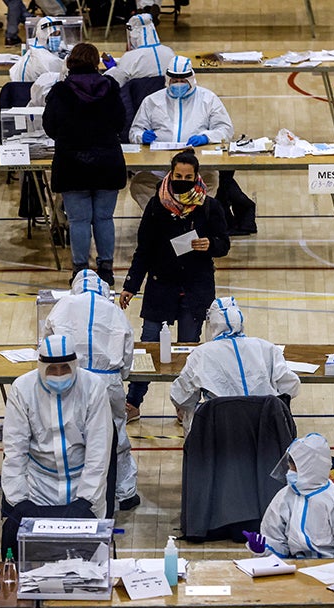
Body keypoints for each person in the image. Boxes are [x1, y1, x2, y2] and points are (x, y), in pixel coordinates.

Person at [119, 149, 231, 422]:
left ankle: (186, 405)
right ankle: (133, 402)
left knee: (189, 352)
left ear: (197, 177)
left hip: (195, 289)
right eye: (178, 175)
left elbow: (223, 244)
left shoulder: (209, 206)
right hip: (161, 288)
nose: (183, 180)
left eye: (188, 176)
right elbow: (143, 249)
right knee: (148, 347)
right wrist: (131, 285)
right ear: (171, 174)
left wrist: (210, 245)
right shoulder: (157, 206)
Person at [0, 334, 114, 556]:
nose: (59, 374)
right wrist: (19, 500)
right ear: (42, 366)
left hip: (85, 488)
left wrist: (86, 500)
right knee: (37, 561)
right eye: (52, 369)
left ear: (74, 365)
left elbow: (98, 452)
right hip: (38, 489)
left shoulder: (93, 387)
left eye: (65, 368)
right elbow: (14, 451)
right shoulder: (22, 389)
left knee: (87, 565)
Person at [45, 270, 140, 510]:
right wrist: (122, 375)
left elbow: (46, 343)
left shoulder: (63, 305)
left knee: (70, 434)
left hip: (71, 380)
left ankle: (72, 492)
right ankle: (124, 492)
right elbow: (127, 352)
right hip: (108, 382)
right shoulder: (115, 311)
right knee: (115, 434)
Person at [43, 43, 127, 284]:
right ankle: (106, 270)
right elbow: (120, 121)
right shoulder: (110, 86)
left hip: (72, 163)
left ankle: (80, 271)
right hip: (107, 162)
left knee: (78, 221)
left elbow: (50, 126)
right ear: (95, 62)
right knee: (104, 218)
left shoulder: (61, 90)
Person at [170, 296, 301, 434]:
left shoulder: (201, 354)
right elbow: (291, 385)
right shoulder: (267, 348)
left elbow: (180, 397)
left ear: (211, 323)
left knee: (193, 417)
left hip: (221, 436)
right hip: (266, 434)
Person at [128, 56, 234, 209]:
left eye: (183, 80)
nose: (178, 84)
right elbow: (135, 131)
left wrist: (206, 137)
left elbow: (226, 129)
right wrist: (141, 136)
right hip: (159, 165)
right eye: (175, 80)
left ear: (191, 79)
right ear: (167, 79)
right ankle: (162, 218)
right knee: (139, 184)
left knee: (211, 180)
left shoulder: (208, 99)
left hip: (197, 165)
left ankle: (193, 219)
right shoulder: (152, 101)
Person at [243, 433, 334, 559]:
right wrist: (264, 548)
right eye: (289, 467)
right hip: (294, 568)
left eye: (294, 469)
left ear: (310, 468)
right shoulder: (284, 497)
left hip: (331, 569)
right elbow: (275, 540)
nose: (289, 472)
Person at [102, 13, 174, 87]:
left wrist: (113, 69)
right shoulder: (169, 52)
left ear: (134, 34)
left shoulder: (129, 58)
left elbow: (117, 83)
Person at [9, 16, 66, 82]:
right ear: (43, 35)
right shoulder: (41, 58)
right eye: (53, 34)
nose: (57, 38)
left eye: (58, 34)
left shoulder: (36, 45)